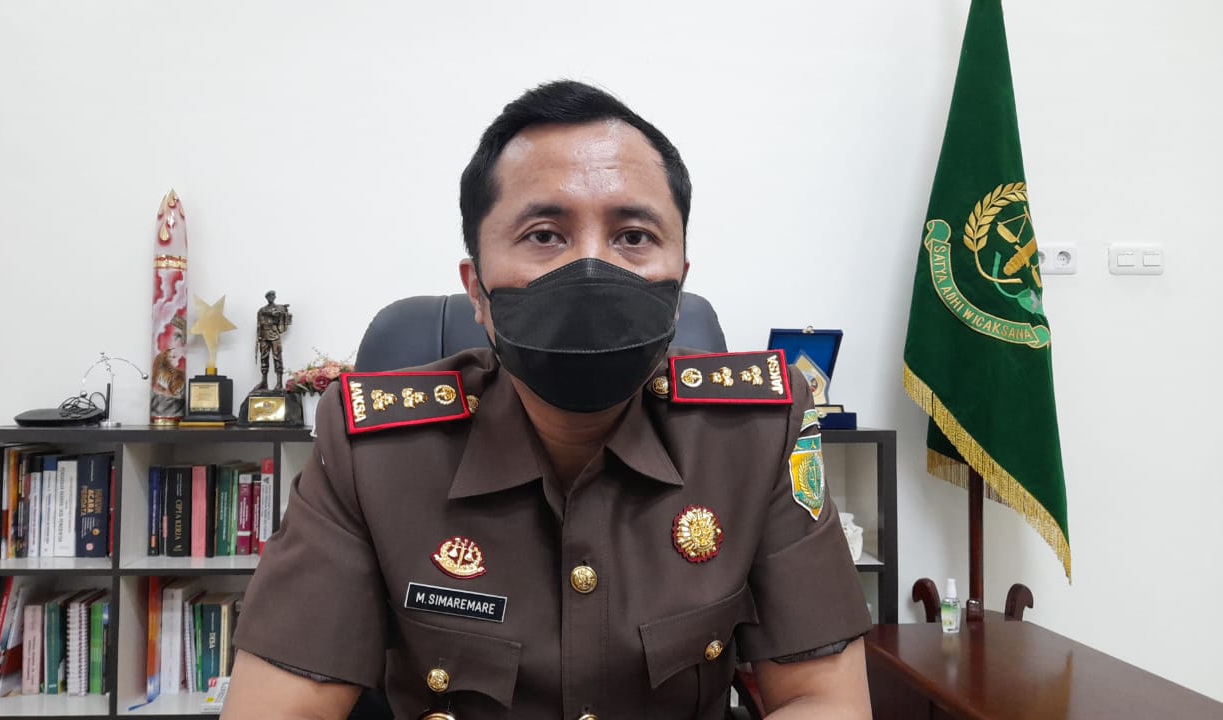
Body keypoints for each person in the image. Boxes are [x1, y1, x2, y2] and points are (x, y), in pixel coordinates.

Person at [225, 81, 872, 719]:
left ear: (678, 286)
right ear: (477, 291)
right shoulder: (373, 454)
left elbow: (822, 698)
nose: (590, 270)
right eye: (544, 235)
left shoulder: (761, 434)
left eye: (633, 236)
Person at [255, 290, 291, 391]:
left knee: (277, 357)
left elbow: (284, 321)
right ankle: (264, 382)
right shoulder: (261, 310)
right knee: (263, 358)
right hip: (263, 335)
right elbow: (259, 325)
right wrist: (258, 337)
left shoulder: (279, 308)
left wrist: (283, 312)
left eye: (272, 296)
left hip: (274, 334)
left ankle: (279, 383)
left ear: (275, 297)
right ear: (266, 298)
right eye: (269, 296)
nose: (271, 298)